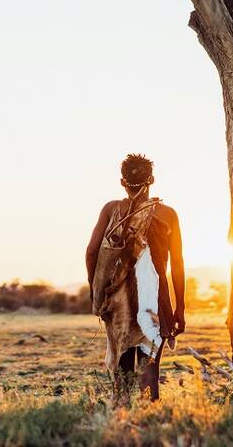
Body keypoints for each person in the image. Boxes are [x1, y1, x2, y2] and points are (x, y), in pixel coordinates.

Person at [86, 153, 185, 404]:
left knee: (123, 370)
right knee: (150, 367)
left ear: (122, 182)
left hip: (118, 299)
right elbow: (178, 264)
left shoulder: (111, 209)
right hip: (155, 298)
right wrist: (180, 307)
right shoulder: (168, 214)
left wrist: (96, 291)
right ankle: (149, 420)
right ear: (152, 179)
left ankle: (121, 419)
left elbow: (91, 252)